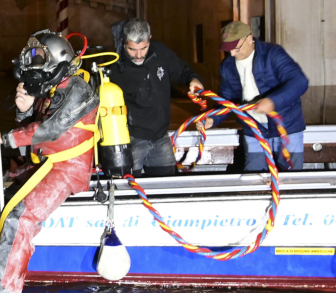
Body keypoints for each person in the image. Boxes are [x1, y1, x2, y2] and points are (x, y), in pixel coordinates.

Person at [0, 30, 100, 293]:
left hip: (68, 169)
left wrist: (7, 138)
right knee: (7, 184)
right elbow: (34, 123)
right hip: (47, 164)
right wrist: (24, 108)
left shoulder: (79, 91)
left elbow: (50, 129)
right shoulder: (52, 90)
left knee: (19, 219)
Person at [204, 21, 308, 171]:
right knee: (254, 176)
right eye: (228, 50)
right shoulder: (227, 66)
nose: (232, 54)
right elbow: (227, 100)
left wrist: (273, 101)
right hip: (253, 127)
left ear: (249, 38)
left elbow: (299, 81)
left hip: (286, 126)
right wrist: (213, 118)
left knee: (291, 177)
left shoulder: (273, 54)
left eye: (236, 48)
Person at [107, 18, 203, 177]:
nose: (138, 55)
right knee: (128, 189)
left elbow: (182, 71)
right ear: (124, 43)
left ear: (150, 39)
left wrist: (194, 79)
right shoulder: (116, 68)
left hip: (161, 138)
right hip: (131, 140)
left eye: (143, 48)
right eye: (132, 49)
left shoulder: (161, 52)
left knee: (166, 189)